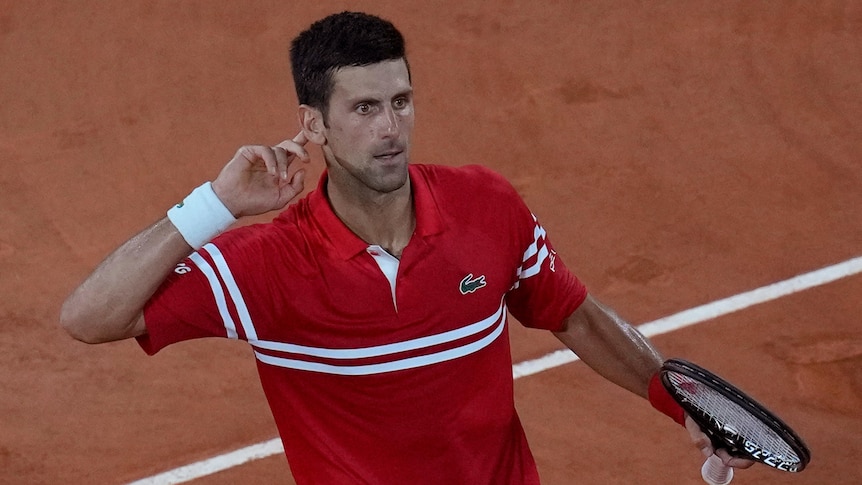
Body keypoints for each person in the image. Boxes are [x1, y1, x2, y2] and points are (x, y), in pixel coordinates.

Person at [60, 11, 752, 484]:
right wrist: (213, 206)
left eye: (401, 101)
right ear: (315, 124)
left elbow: (572, 313)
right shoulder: (268, 265)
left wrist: (676, 397)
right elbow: (89, 318)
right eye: (364, 109)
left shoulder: (487, 205)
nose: (390, 127)